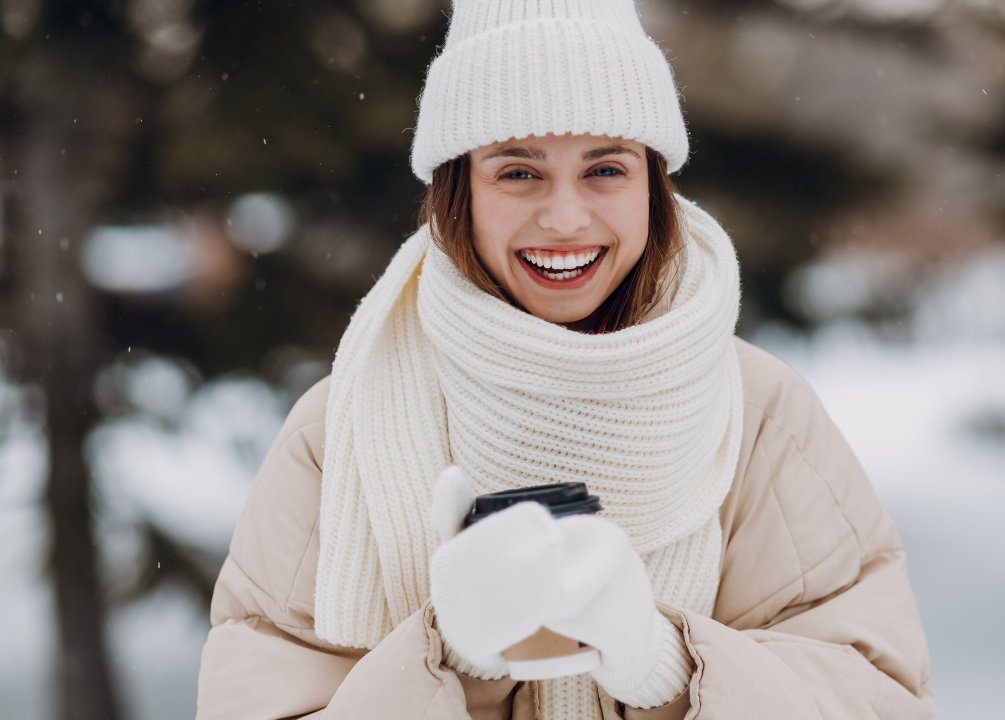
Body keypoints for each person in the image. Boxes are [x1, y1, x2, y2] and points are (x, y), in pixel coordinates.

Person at [196, 1, 936, 718]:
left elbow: (876, 699)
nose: (565, 218)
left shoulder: (758, 415)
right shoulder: (341, 433)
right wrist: (453, 657)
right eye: (518, 172)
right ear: (460, 190)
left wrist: (665, 665)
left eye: (605, 169)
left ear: (654, 185)